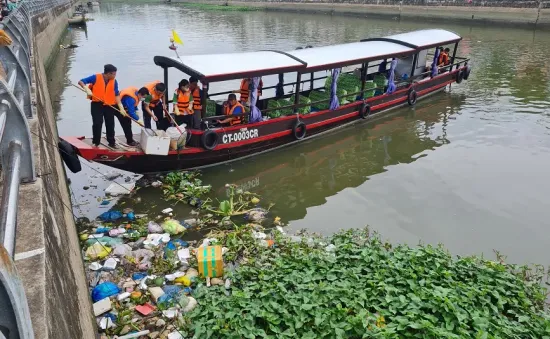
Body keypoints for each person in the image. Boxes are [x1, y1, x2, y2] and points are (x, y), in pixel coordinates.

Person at [78, 64, 126, 148]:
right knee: (97, 123)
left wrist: (120, 106)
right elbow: (81, 81)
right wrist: (86, 89)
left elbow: (116, 94)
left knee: (110, 124)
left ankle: (111, 142)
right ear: (108, 74)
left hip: (109, 105)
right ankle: (96, 142)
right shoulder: (96, 77)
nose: (115, 76)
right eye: (114, 74)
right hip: (97, 104)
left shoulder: (114, 81)